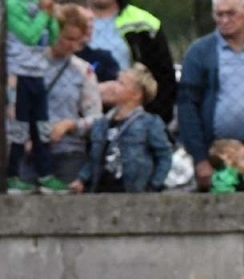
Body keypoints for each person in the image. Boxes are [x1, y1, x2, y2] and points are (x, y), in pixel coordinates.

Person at [177, 0, 244, 191]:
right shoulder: (200, 53)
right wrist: (200, 158)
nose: (224, 20)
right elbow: (187, 105)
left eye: (231, 13)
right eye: (219, 14)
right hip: (217, 157)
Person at [77, 0, 176, 120]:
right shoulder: (64, 19)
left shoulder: (144, 24)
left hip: (131, 120)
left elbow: (164, 79)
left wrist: (152, 120)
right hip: (74, 118)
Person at [2, 0, 59, 192]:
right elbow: (28, 35)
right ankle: (12, 175)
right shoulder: (11, 4)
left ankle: (45, 174)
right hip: (20, 74)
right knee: (20, 127)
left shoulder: (35, 3)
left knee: (41, 126)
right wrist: (44, 15)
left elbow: (51, 37)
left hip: (38, 73)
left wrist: (52, 15)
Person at [71, 65, 172, 194]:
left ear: (136, 94)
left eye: (121, 84)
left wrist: (153, 186)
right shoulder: (102, 123)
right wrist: (82, 179)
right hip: (102, 190)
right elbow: (94, 158)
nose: (114, 86)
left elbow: (164, 157)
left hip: (133, 191)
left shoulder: (149, 123)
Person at [42, 5, 105, 187]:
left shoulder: (84, 71)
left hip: (68, 152)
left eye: (77, 40)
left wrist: (72, 124)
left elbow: (96, 117)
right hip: (31, 151)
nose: (72, 45)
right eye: (67, 38)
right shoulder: (30, 65)